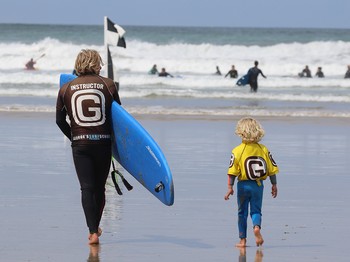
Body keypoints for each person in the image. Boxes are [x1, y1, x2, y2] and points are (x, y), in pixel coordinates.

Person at [56, 49, 121, 245]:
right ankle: (95, 229)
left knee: (86, 188)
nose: (101, 65)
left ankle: (92, 230)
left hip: (81, 145)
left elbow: (59, 121)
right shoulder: (108, 85)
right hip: (102, 143)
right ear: (94, 63)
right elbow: (118, 118)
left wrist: (75, 138)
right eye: (99, 62)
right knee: (99, 188)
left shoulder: (66, 88)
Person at [224, 117, 279, 247]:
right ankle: (256, 227)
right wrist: (274, 184)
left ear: (241, 133)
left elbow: (232, 171)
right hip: (258, 185)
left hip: (243, 185)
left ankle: (242, 240)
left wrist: (230, 187)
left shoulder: (237, 150)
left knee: (242, 213)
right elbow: (272, 170)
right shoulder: (263, 149)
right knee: (256, 211)